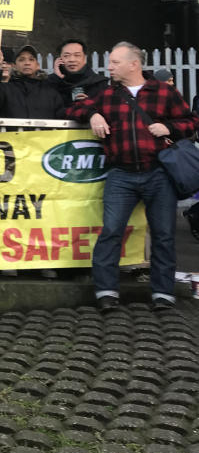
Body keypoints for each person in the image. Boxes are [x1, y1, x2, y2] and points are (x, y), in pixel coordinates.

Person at [66, 42, 199, 312]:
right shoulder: (107, 93)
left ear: (133, 64)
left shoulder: (164, 91)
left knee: (163, 235)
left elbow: (192, 122)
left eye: (115, 62)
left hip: (159, 174)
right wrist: (91, 114)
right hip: (121, 174)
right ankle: (106, 292)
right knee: (111, 233)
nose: (109, 67)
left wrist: (169, 127)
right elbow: (72, 111)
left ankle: (163, 294)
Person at [0, 45, 65, 119]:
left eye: (31, 59)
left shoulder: (50, 92)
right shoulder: (5, 89)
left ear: (37, 66)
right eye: (21, 60)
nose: (27, 63)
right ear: (14, 66)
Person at [48, 38, 108, 107]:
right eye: (66, 56)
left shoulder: (99, 83)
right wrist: (57, 78)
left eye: (77, 55)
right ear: (59, 59)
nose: (72, 60)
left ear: (85, 58)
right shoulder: (51, 81)